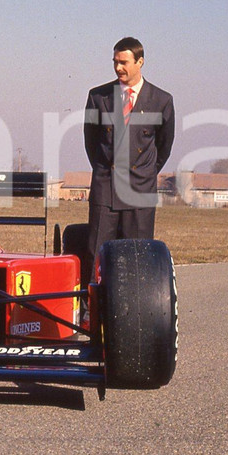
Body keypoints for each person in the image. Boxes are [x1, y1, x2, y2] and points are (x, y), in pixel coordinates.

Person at [82, 36, 174, 287]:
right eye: (115, 62)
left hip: (140, 191)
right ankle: (92, 311)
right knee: (96, 254)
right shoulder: (97, 97)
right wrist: (105, 171)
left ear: (140, 62)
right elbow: (91, 142)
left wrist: (144, 174)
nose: (118, 68)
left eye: (124, 62)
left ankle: (136, 313)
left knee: (138, 256)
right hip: (105, 188)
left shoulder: (161, 100)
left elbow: (164, 146)